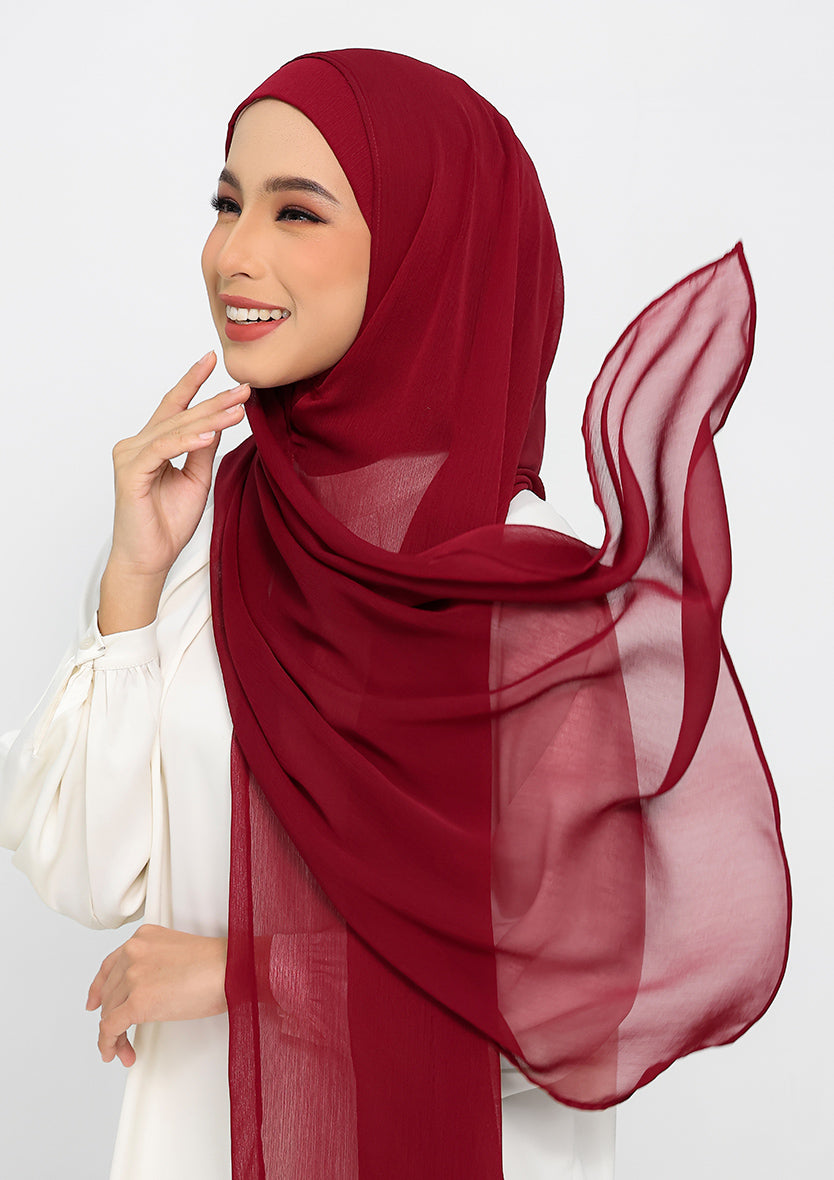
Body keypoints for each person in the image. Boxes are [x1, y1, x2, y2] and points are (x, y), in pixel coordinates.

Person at [0, 48, 789, 1180]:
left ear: (428, 251)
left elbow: (577, 1003)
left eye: (296, 211)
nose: (233, 253)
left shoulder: (525, 595)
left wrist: (245, 974)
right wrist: (129, 579)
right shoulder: (206, 545)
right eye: (226, 203)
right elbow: (83, 872)